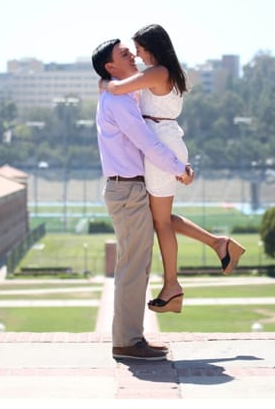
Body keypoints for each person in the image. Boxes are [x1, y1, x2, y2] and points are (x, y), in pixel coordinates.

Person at [100, 24, 245, 314]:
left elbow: (117, 87)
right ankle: (219, 244)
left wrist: (104, 84)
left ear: (152, 48)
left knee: (161, 222)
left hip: (161, 143)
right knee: (160, 218)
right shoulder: (165, 72)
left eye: (139, 50)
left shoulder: (158, 72)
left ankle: (172, 286)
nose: (138, 56)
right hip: (165, 139)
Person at [92, 37, 193, 361]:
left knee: (135, 265)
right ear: (111, 66)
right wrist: (180, 170)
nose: (132, 55)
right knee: (133, 268)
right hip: (128, 189)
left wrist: (107, 84)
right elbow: (147, 143)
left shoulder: (122, 95)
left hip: (128, 188)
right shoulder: (120, 102)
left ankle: (130, 338)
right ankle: (127, 341)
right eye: (124, 54)